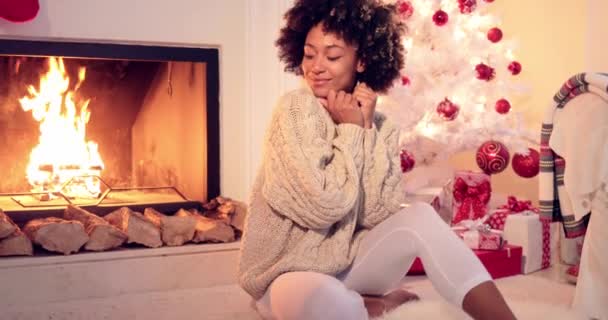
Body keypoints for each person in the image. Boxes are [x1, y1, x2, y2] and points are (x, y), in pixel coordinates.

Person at [238, 1, 517, 319]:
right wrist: (352, 131)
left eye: (332, 56)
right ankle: (377, 305)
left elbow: (377, 214)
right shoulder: (294, 110)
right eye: (309, 53)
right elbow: (322, 207)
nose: (316, 66)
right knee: (327, 302)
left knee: (422, 217)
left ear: (362, 61)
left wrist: (367, 129)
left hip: (349, 264)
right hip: (285, 275)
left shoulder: (379, 124)